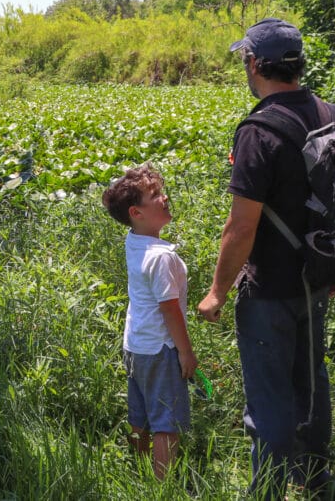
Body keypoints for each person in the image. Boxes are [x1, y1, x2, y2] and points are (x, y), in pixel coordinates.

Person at [197, 18, 335, 499]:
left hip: (271, 288)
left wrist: (217, 291)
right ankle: (315, 478)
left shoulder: (258, 130)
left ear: (253, 63)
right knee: (312, 378)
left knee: (268, 397)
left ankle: (265, 490)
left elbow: (241, 227)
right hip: (320, 276)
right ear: (298, 64)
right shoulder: (334, 115)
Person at [103, 164, 198, 480]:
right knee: (166, 424)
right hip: (160, 347)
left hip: (135, 344)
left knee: (140, 416)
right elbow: (169, 309)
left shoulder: (134, 242)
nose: (165, 197)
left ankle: (141, 473)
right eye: (155, 195)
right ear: (136, 212)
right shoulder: (161, 257)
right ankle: (162, 487)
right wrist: (186, 352)